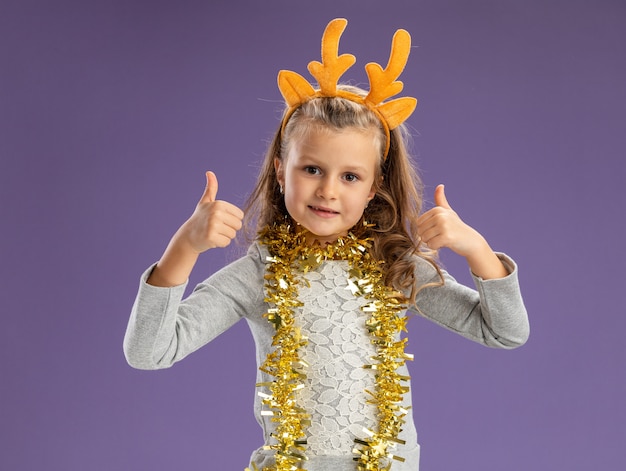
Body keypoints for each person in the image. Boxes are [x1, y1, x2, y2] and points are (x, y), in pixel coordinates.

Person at [123, 18, 529, 471]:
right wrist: (185, 247)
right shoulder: (259, 273)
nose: (328, 191)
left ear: (373, 187)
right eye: (311, 169)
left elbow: (505, 332)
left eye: (350, 176)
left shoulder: (396, 268)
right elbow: (149, 351)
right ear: (281, 171)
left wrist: (476, 249)